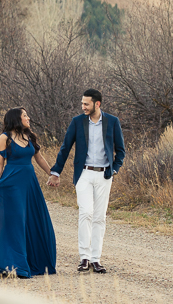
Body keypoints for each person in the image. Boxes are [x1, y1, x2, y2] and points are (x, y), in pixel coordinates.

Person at [0, 107, 57, 278]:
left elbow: (39, 158)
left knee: (33, 220)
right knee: (16, 222)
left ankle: (34, 261)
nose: (28, 118)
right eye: (25, 116)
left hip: (29, 185)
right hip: (11, 183)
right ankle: (15, 264)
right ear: (16, 118)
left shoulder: (29, 136)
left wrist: (52, 174)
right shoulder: (4, 138)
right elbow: (0, 163)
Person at [47, 89, 125, 273]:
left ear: (97, 104)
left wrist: (114, 169)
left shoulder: (112, 122)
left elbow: (120, 150)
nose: (83, 107)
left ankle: (96, 259)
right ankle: (84, 258)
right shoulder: (77, 122)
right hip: (83, 174)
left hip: (104, 175)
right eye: (82, 103)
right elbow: (65, 147)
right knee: (86, 212)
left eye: (86, 104)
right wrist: (55, 172)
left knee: (99, 217)